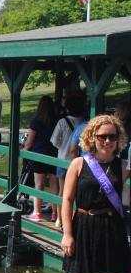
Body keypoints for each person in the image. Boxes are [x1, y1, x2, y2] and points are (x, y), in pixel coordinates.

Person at [50, 115, 131, 273]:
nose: (107, 141)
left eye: (112, 137)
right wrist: (67, 232)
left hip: (111, 230)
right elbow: (67, 199)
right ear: (92, 138)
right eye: (102, 136)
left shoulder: (123, 167)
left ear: (119, 140)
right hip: (84, 227)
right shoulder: (78, 164)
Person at [51, 94, 86, 227]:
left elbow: (54, 141)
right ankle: (73, 219)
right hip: (80, 162)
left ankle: (60, 219)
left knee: (63, 191)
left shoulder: (62, 122)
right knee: (76, 192)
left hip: (63, 161)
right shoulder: (85, 122)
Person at [24, 95, 59, 222]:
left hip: (39, 155)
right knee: (55, 185)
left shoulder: (36, 121)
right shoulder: (57, 120)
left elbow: (29, 142)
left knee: (39, 184)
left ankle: (37, 212)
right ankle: (55, 213)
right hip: (54, 155)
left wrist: (24, 151)